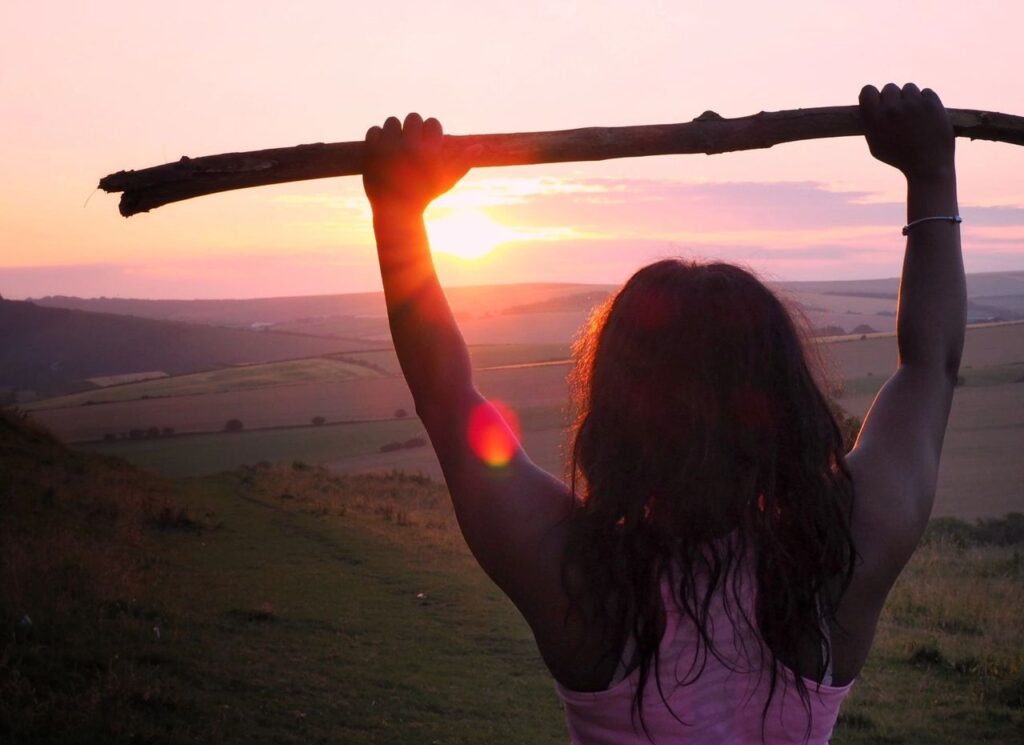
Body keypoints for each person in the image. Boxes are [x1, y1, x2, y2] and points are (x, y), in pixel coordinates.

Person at [360, 82, 964, 744]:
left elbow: (446, 399)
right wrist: (930, 174)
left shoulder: (572, 574)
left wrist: (397, 212)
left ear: (617, 411)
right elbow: (929, 366)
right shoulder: (842, 555)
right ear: (784, 404)